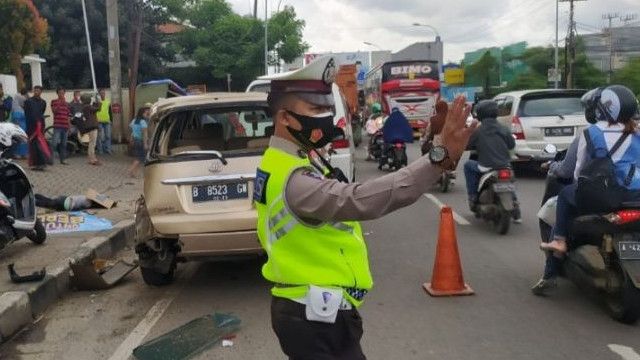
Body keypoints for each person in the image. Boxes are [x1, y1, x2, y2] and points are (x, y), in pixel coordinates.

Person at [254, 56, 476, 359]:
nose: (326, 117)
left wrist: (432, 142)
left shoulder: (292, 159)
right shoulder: (295, 179)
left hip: (315, 311)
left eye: (328, 109)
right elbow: (360, 199)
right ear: (285, 118)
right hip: (313, 317)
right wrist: (438, 157)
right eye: (316, 109)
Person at [539, 85, 640, 266]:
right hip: (634, 196)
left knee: (565, 194)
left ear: (602, 107)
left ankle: (559, 241)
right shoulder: (637, 132)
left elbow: (576, 174)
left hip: (603, 197)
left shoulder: (590, 133)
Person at [463, 100, 522, 222]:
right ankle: (515, 205)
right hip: (505, 166)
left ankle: (473, 196)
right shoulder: (503, 128)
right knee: (508, 182)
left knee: (468, 165)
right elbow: (511, 144)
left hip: (486, 166)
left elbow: (467, 145)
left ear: (480, 114)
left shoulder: (478, 130)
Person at [24, 85, 49, 170]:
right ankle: (35, 164)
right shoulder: (28, 101)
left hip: (40, 126)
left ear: (41, 92)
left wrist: (40, 124)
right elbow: (27, 114)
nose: (36, 92)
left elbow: (41, 113)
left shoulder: (43, 102)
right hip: (31, 126)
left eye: (38, 90)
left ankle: (41, 163)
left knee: (39, 145)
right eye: (35, 90)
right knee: (33, 146)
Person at [77, 93, 101, 166]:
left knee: (91, 143)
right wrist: (99, 101)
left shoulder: (85, 106)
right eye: (90, 98)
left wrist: (95, 101)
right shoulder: (87, 106)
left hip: (89, 126)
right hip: (92, 126)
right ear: (87, 99)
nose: (91, 99)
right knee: (92, 143)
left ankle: (92, 158)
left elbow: (94, 108)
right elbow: (98, 109)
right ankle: (92, 159)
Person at [127, 106, 149, 177]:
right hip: (140, 141)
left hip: (135, 141)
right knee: (140, 158)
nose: (147, 115)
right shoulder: (143, 122)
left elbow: (132, 131)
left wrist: (131, 139)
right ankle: (130, 170)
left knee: (137, 157)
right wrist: (145, 144)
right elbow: (144, 134)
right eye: (146, 113)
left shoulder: (134, 120)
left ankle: (134, 173)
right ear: (142, 113)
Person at [51, 87, 71, 165]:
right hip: (57, 126)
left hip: (65, 126)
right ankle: (50, 159)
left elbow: (68, 116)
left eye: (63, 93)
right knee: (54, 143)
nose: (61, 94)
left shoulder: (67, 104)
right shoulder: (54, 101)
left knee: (63, 144)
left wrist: (69, 127)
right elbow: (54, 111)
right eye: (60, 93)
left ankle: (63, 160)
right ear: (57, 93)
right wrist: (60, 103)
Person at [11, 88, 29, 159]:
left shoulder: (16, 97)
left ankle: (22, 153)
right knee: (19, 138)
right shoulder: (19, 97)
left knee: (22, 138)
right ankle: (17, 153)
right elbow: (25, 103)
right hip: (19, 121)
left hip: (23, 122)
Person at [96, 88, 112, 155]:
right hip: (99, 121)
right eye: (101, 93)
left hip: (107, 121)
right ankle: (100, 150)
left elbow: (110, 111)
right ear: (99, 94)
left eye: (103, 93)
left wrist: (111, 120)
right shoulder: (97, 102)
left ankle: (108, 149)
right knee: (100, 137)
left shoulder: (108, 101)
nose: (102, 94)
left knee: (108, 136)